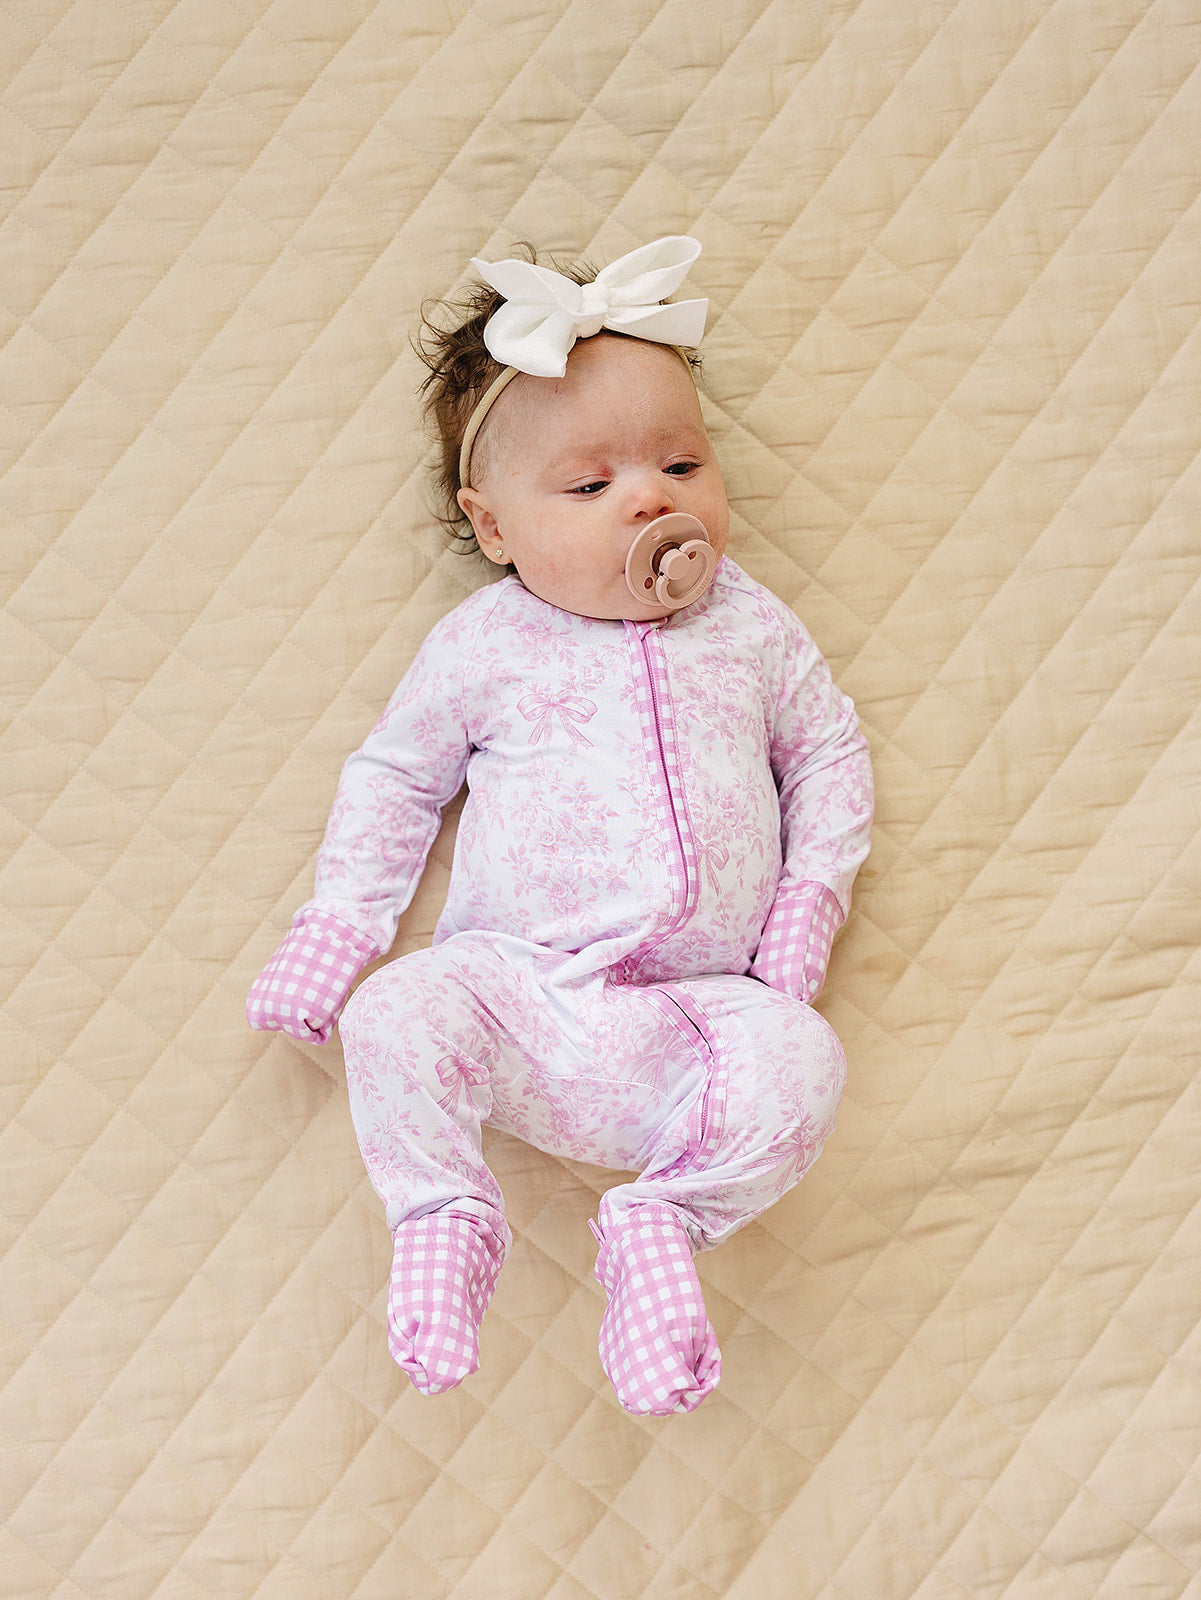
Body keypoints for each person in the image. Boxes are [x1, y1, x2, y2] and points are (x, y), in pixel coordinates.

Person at [247, 237, 873, 1416]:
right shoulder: (486, 643)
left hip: (696, 1018)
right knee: (396, 1012)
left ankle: (661, 1223)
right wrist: (341, 928)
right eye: (588, 489)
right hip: (522, 996)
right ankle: (444, 1216)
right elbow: (395, 780)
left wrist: (805, 912)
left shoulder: (749, 625)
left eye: (680, 463)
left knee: (804, 1064)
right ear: (494, 528)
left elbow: (828, 756)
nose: (649, 499)